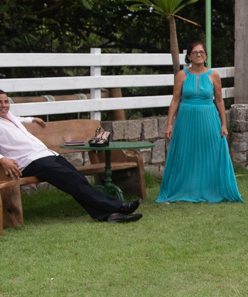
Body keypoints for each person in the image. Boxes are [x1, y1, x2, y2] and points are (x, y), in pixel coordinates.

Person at [0, 91, 142, 223]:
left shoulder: (8, 116)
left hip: (46, 155)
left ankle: (111, 215)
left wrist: (31, 119)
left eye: (6, 102)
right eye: (0, 103)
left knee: (76, 179)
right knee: (72, 180)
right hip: (29, 162)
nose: (4, 106)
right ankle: (118, 205)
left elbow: (17, 119)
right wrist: (2, 159)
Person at [158, 41, 242, 204]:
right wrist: (169, 124)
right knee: (184, 153)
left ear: (206, 55)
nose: (199, 54)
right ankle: (181, 189)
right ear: (189, 56)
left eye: (202, 52)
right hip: (185, 119)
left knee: (211, 151)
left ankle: (211, 190)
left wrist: (224, 124)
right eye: (195, 52)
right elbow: (175, 100)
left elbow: (219, 101)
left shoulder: (213, 75)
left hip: (208, 118)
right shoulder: (182, 75)